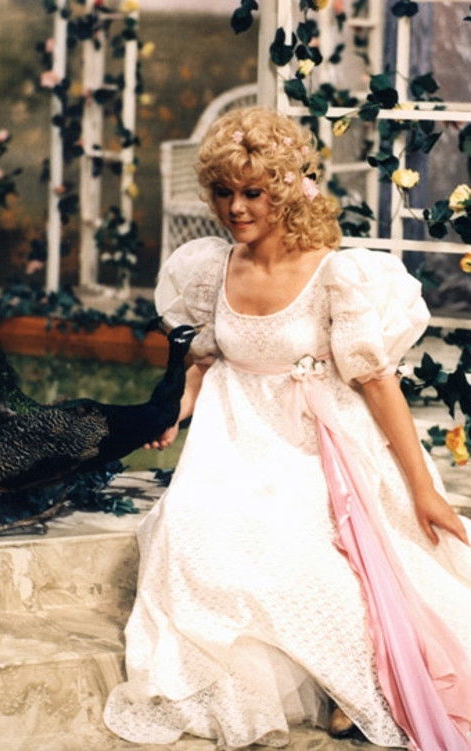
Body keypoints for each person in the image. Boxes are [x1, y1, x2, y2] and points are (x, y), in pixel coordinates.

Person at [104, 106, 471, 749]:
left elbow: (377, 383)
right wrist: (172, 412)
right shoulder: (209, 270)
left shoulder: (336, 275)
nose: (235, 208)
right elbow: (203, 366)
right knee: (189, 531)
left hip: (319, 446)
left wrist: (423, 488)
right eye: (224, 192)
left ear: (285, 190)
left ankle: (358, 682)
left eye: (253, 192)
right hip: (235, 443)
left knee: (304, 550)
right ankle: (315, 677)